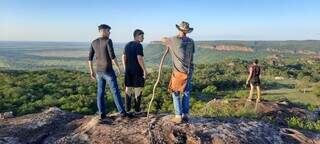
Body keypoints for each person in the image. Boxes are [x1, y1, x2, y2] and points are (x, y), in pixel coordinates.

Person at [88, 24, 129, 122]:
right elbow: (112, 56)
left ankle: (102, 114)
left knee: (100, 92)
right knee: (115, 91)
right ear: (103, 31)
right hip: (108, 71)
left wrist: (91, 71)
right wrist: (118, 68)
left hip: (99, 71)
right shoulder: (108, 41)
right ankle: (122, 112)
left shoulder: (93, 42)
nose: (110, 33)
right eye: (108, 31)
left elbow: (90, 58)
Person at [161, 21, 195, 124]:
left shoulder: (174, 40)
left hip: (179, 71)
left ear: (179, 30)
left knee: (175, 92)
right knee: (186, 92)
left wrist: (169, 42)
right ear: (187, 31)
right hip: (189, 70)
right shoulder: (191, 41)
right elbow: (191, 55)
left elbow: (162, 39)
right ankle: (185, 114)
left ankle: (178, 116)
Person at [122, 29, 147, 113]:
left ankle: (127, 110)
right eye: (142, 36)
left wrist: (125, 67)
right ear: (136, 36)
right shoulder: (139, 45)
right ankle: (137, 110)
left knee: (128, 88)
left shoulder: (127, 44)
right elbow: (139, 58)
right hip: (137, 71)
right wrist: (144, 70)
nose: (143, 38)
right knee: (137, 89)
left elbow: (123, 56)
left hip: (128, 70)